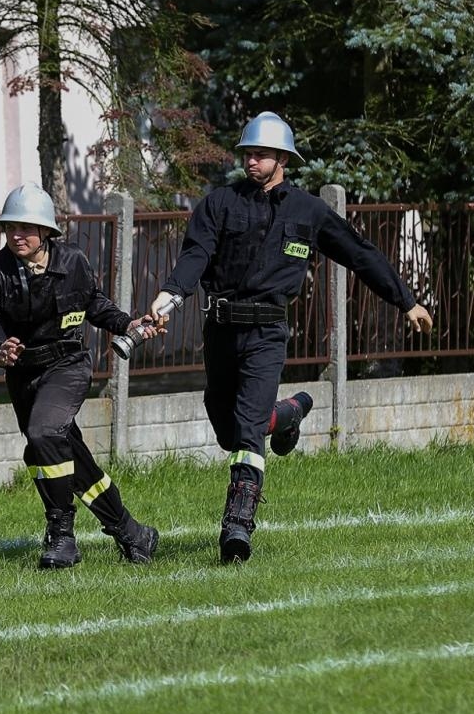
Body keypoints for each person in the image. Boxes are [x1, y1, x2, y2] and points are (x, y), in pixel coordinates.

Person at [149, 111, 432, 564]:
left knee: (246, 434)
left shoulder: (309, 211)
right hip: (221, 330)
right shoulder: (219, 203)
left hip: (267, 333)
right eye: (247, 153)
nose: (251, 160)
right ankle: (289, 413)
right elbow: (195, 256)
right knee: (229, 427)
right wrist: (169, 296)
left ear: (283, 158)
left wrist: (407, 301)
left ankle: (237, 526)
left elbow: (360, 254)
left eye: (260, 154)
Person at [0, 182, 162, 569]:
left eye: (26, 227)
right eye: (11, 227)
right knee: (61, 453)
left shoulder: (73, 262)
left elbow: (94, 304)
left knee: (43, 435)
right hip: (22, 374)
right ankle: (132, 532)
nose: (17, 235)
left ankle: (62, 537)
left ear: (46, 232)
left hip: (67, 366)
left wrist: (126, 323)